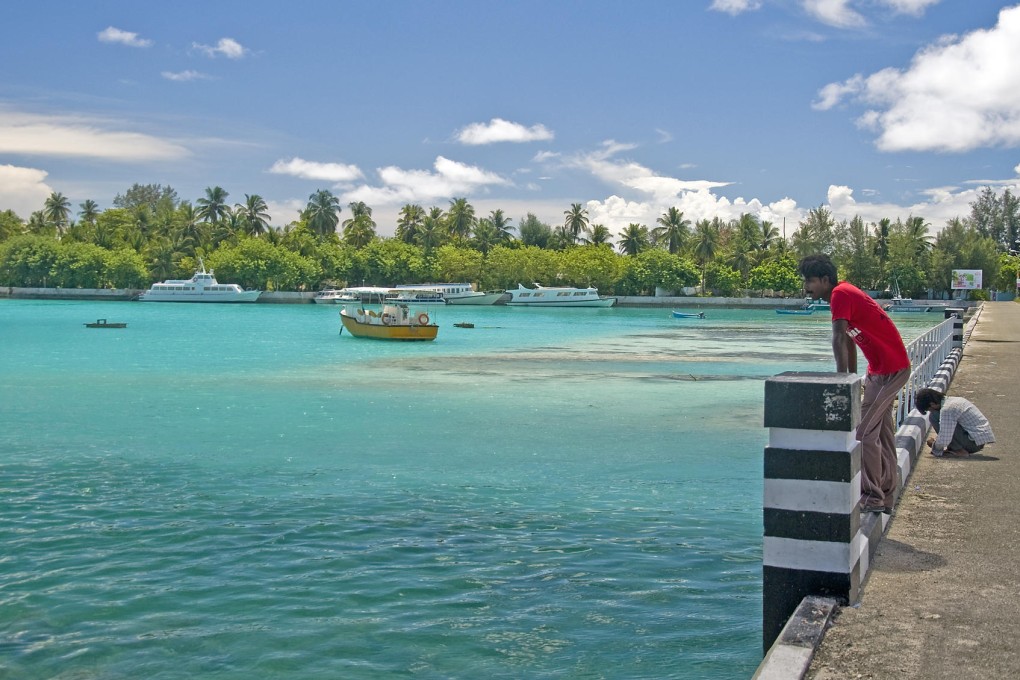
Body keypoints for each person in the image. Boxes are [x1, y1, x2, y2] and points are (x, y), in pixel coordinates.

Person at [799, 254, 911, 514]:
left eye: (810, 281)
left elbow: (838, 338)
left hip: (890, 370)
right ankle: (886, 493)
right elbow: (849, 338)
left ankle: (873, 497)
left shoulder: (840, 294)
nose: (806, 287)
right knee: (881, 432)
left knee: (863, 433)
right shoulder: (841, 295)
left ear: (825, 280)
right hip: (878, 371)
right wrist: (851, 376)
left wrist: (840, 381)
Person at [915, 387, 995, 457]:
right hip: (978, 439)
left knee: (933, 417)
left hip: (973, 443)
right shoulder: (951, 401)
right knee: (940, 418)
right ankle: (955, 448)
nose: (930, 411)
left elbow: (945, 438)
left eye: (929, 409)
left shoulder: (947, 409)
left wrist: (934, 446)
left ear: (932, 404)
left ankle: (958, 450)